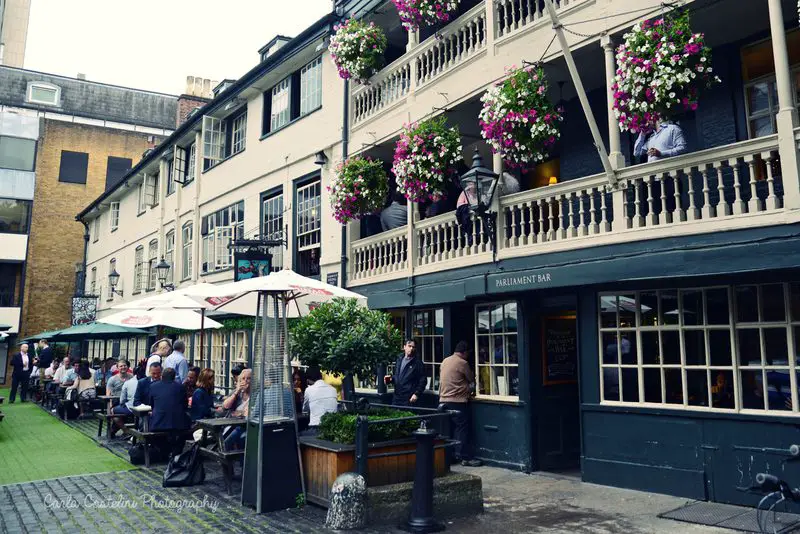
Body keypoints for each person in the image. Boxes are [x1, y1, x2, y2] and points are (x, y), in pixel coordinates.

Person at [439, 341, 482, 467]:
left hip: (443, 400)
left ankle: (450, 455)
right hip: (458, 401)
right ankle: (464, 457)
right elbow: (471, 380)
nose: (468, 356)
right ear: (464, 352)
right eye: (468, 353)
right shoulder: (462, 363)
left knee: (449, 429)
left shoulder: (445, 361)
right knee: (462, 429)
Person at [149, 368, 190, 456]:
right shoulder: (180, 387)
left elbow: (151, 404)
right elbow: (185, 405)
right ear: (174, 377)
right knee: (186, 431)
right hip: (178, 423)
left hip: (158, 422)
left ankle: (163, 451)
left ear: (161, 376)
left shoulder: (153, 386)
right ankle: (175, 452)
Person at [385, 339, 427, 407]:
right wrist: (391, 379)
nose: (411, 348)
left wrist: (416, 394)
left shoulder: (418, 363)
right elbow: (397, 376)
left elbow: (423, 380)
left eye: (413, 347)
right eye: (409, 346)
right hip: (397, 396)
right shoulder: (399, 359)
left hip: (409, 398)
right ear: (404, 347)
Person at [302, 365, 338, 436]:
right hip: (332, 428)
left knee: (298, 435)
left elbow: (305, 410)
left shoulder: (309, 390)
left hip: (316, 428)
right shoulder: (333, 389)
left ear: (308, 380)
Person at [222, 369, 251, 450]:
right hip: (230, 423)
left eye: (248, 378)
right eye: (243, 378)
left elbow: (247, 414)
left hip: (245, 426)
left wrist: (240, 413)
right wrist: (237, 391)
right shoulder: (236, 392)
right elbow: (225, 406)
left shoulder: (256, 395)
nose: (245, 381)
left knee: (237, 433)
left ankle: (224, 451)